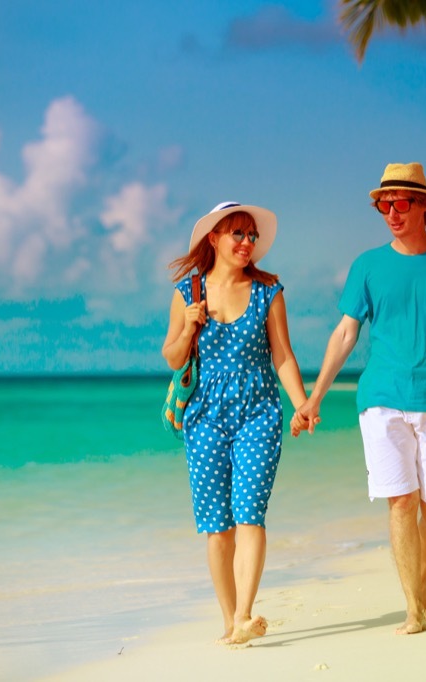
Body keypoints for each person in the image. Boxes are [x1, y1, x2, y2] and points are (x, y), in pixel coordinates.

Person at [293, 162, 426, 635]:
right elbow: (346, 333)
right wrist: (314, 397)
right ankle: (413, 606)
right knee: (401, 503)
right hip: (381, 399)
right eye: (383, 204)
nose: (391, 212)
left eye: (402, 202)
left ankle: (418, 581)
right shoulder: (367, 265)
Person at [162, 201, 309, 645]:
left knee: (250, 515)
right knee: (216, 526)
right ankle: (230, 622)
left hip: (258, 413)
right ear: (214, 239)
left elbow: (282, 355)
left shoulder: (269, 291)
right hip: (204, 417)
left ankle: (245, 614)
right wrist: (188, 327)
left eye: (252, 236)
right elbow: (171, 356)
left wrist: (301, 404)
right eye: (238, 235)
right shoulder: (187, 293)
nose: (247, 243)